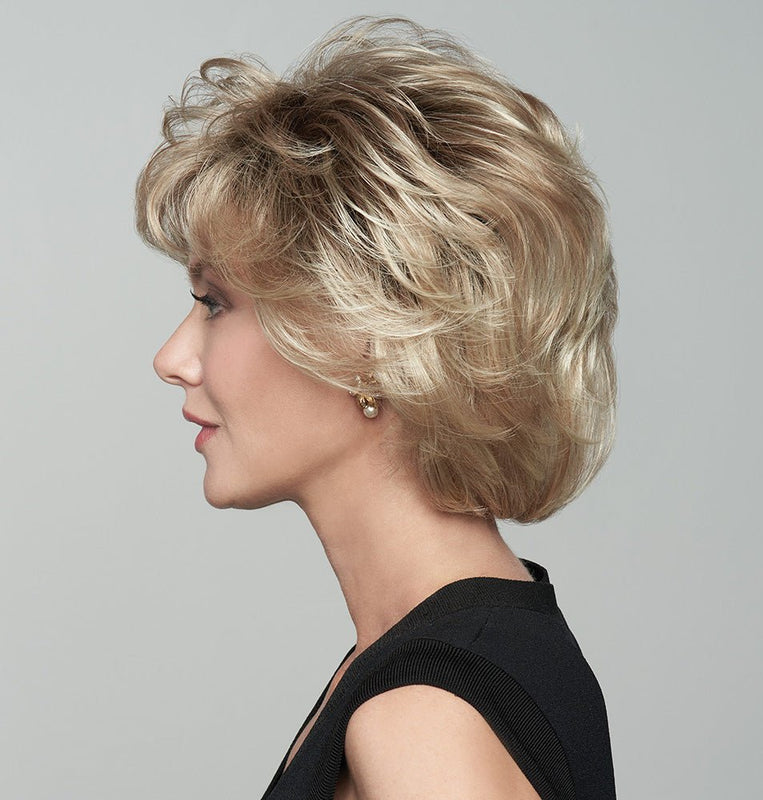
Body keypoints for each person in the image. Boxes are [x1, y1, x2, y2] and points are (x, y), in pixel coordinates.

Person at [136, 16, 618, 800]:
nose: (172, 358)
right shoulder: (452, 653)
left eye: (214, 302)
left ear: (365, 333)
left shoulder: (422, 720)